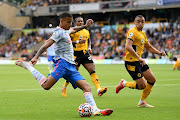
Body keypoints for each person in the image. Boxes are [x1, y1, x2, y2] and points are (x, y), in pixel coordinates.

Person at [15, 12, 113, 116]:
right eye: (68, 22)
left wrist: (86, 26)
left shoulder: (66, 31)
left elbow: (74, 29)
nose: (70, 24)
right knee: (46, 86)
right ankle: (28, 66)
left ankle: (95, 109)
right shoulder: (58, 32)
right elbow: (46, 44)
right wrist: (35, 57)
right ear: (61, 21)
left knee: (87, 87)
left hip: (71, 66)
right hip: (62, 64)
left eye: (71, 22)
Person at [116, 15, 166, 107]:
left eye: (142, 21)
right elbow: (128, 46)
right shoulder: (132, 32)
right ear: (134, 22)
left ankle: (142, 102)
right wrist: (139, 58)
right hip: (131, 62)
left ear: (144, 23)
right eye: (138, 21)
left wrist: (159, 53)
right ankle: (124, 83)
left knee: (152, 79)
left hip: (139, 61)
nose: (140, 23)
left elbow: (149, 47)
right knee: (142, 85)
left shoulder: (143, 34)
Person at [61, 17, 108, 97]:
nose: (80, 22)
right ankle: (64, 87)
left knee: (92, 70)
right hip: (75, 54)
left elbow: (88, 40)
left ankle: (98, 89)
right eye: (78, 21)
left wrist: (89, 47)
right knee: (72, 72)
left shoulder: (86, 31)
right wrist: (78, 41)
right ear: (75, 23)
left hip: (85, 53)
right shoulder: (73, 32)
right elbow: (67, 42)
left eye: (81, 21)